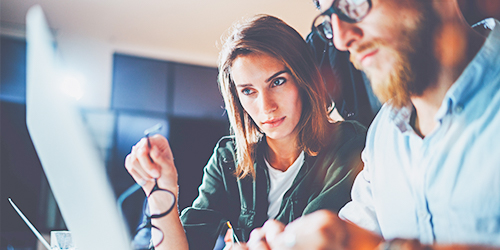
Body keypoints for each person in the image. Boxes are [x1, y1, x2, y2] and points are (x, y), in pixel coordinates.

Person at [236, 0, 500, 249]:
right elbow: (355, 227)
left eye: (354, 4)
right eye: (330, 19)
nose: (341, 40)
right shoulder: (383, 133)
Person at [124, 14, 366, 250]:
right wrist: (160, 192)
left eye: (278, 82)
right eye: (249, 91)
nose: (266, 107)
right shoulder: (228, 158)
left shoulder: (347, 144)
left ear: (304, 80)